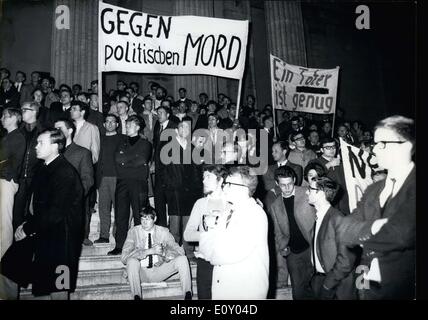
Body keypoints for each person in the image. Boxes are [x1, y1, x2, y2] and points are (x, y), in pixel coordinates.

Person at [338, 115, 415, 300]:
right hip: (365, 281)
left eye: (382, 144)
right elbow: (343, 231)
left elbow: (401, 234)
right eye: (375, 143)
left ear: (406, 146)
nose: (375, 149)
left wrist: (360, 232)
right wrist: (374, 227)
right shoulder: (373, 190)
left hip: (403, 289)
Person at [1, 128, 84, 300]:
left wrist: (28, 228)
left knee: (58, 287)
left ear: (55, 146)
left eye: (41, 143)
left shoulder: (65, 172)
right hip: (39, 230)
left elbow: (56, 212)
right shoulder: (42, 168)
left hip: (60, 238)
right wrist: (26, 224)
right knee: (8, 268)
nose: (36, 147)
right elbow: (34, 205)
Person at [199, 166, 269, 299]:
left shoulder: (254, 214)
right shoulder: (227, 212)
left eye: (228, 184)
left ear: (243, 188)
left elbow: (229, 253)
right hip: (224, 289)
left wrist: (211, 251)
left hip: (245, 291)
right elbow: (205, 247)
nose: (224, 187)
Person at [121, 206, 192, 300]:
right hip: (140, 272)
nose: (144, 223)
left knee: (182, 259)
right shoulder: (133, 232)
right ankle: (136, 296)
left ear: (155, 219)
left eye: (147, 219)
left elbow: (180, 251)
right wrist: (148, 252)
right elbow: (124, 257)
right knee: (132, 262)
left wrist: (163, 253)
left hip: (159, 271)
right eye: (142, 219)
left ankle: (188, 294)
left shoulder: (163, 232)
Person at [184, 164, 230, 299]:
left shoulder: (231, 203)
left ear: (220, 180)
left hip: (226, 261)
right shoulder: (200, 203)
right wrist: (209, 234)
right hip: (205, 261)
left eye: (208, 177)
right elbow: (188, 234)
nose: (203, 181)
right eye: (203, 177)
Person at [269, 166, 315, 300]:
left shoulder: (308, 192)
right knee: (298, 292)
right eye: (283, 185)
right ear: (277, 184)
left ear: (294, 179)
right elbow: (277, 232)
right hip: (293, 253)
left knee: (318, 287)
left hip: (312, 248)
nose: (287, 188)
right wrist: (283, 248)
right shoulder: (275, 205)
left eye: (290, 183)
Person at [306, 177, 357, 300]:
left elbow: (347, 260)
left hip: (336, 287)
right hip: (320, 280)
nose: (306, 192)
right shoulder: (319, 216)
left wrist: (328, 285)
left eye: (310, 189)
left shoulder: (338, 219)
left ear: (321, 194)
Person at [108, 115, 152, 255]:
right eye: (126, 125)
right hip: (122, 182)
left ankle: (141, 245)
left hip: (138, 182)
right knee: (121, 214)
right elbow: (117, 158)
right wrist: (131, 159)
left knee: (140, 214)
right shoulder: (122, 142)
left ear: (137, 127)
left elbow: (142, 159)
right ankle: (120, 245)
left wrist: (125, 161)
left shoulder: (145, 144)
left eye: (129, 125)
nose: (126, 127)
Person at [13, 102, 46, 232]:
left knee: (34, 213)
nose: (21, 112)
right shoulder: (17, 131)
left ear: (33, 111)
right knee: (16, 214)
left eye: (24, 110)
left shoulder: (43, 131)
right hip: (19, 179)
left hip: (36, 178)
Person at [94, 114, 126, 243]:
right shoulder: (98, 139)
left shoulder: (123, 139)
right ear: (104, 125)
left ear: (117, 124)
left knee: (119, 208)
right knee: (103, 208)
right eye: (107, 121)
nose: (110, 124)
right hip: (102, 178)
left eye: (113, 122)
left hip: (118, 178)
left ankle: (118, 235)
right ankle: (104, 236)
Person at [0, 108, 26, 258]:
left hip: (6, 181)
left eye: (5, 116)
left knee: (4, 223)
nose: (1, 118)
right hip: (3, 180)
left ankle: (4, 258)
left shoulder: (17, 137)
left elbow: (6, 161)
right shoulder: (8, 136)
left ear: (14, 118)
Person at [153, 105, 178, 227]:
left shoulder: (174, 127)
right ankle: (161, 225)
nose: (159, 115)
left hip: (170, 169)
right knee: (159, 198)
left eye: (161, 112)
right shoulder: (157, 126)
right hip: (159, 169)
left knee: (172, 198)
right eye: (158, 113)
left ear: (168, 115)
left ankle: (173, 228)